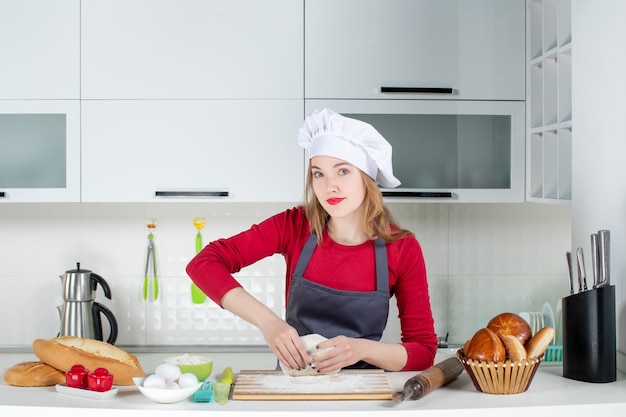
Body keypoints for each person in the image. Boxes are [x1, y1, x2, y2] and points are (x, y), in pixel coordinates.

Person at [186, 108, 437, 373]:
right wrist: (269, 323)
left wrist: (361, 349)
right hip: (294, 388)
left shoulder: (401, 248)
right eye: (319, 174)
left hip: (363, 393)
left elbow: (423, 351)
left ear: (367, 178)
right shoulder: (294, 225)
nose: (330, 186)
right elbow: (204, 263)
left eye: (343, 172)